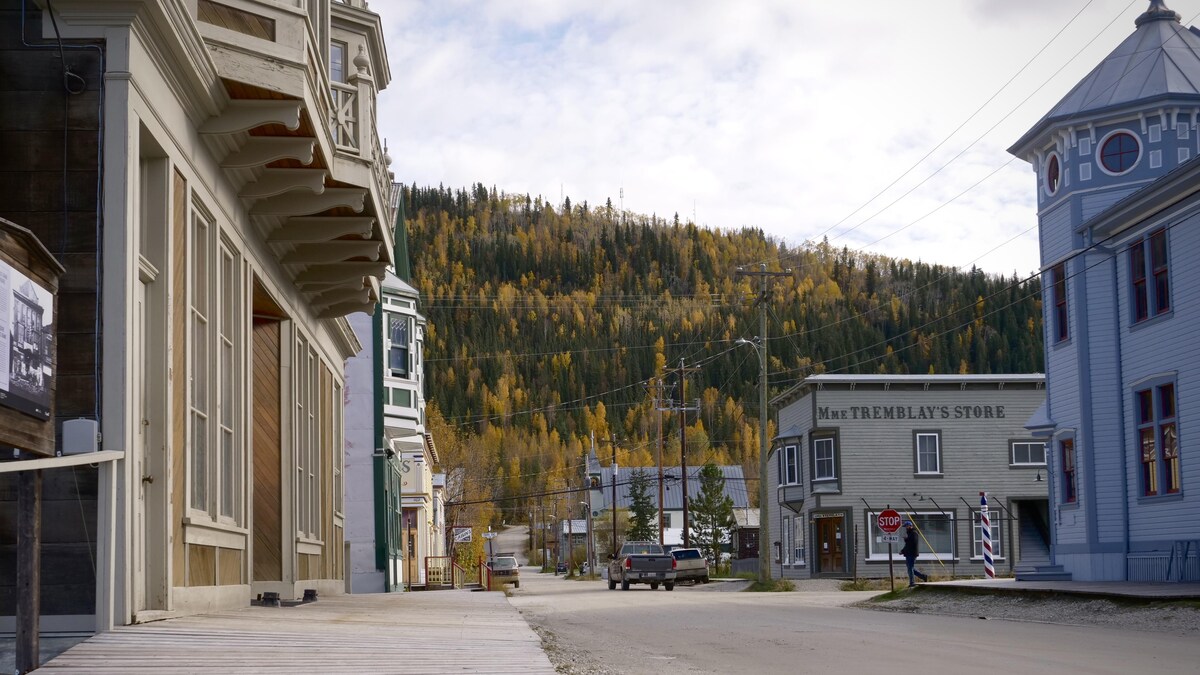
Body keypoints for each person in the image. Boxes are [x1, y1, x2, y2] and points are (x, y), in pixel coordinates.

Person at [900, 520, 929, 587]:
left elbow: (912, 543)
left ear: (910, 526)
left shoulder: (914, 533)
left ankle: (912, 583)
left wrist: (906, 539)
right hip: (908, 553)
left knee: (910, 568)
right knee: (910, 568)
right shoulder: (910, 534)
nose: (906, 528)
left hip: (912, 554)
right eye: (905, 527)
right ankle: (923, 576)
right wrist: (902, 551)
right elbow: (907, 545)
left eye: (907, 526)